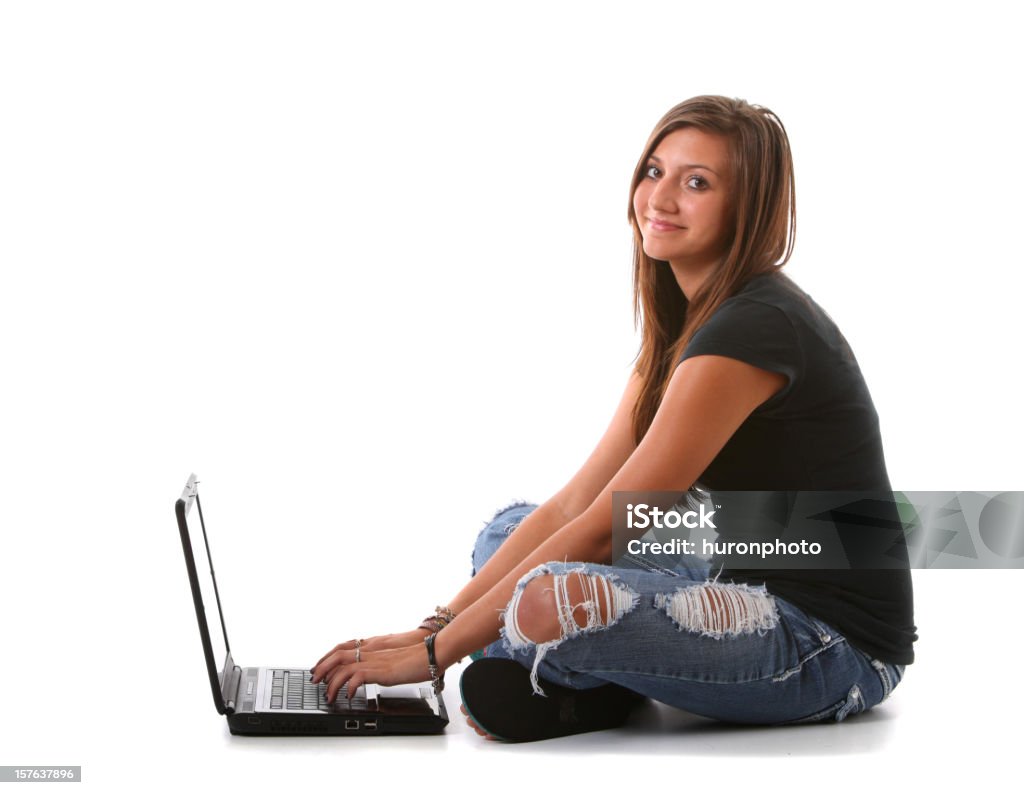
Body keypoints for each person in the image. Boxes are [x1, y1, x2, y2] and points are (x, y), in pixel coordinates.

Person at [311, 95, 917, 742]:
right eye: (655, 170)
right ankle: (598, 678)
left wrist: (433, 657)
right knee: (508, 532)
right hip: (722, 572)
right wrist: (435, 628)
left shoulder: (754, 330)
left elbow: (606, 530)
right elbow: (577, 502)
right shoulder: (688, 328)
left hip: (825, 643)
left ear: (746, 208)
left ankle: (577, 675)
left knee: (548, 598)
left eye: (698, 182)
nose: (661, 198)